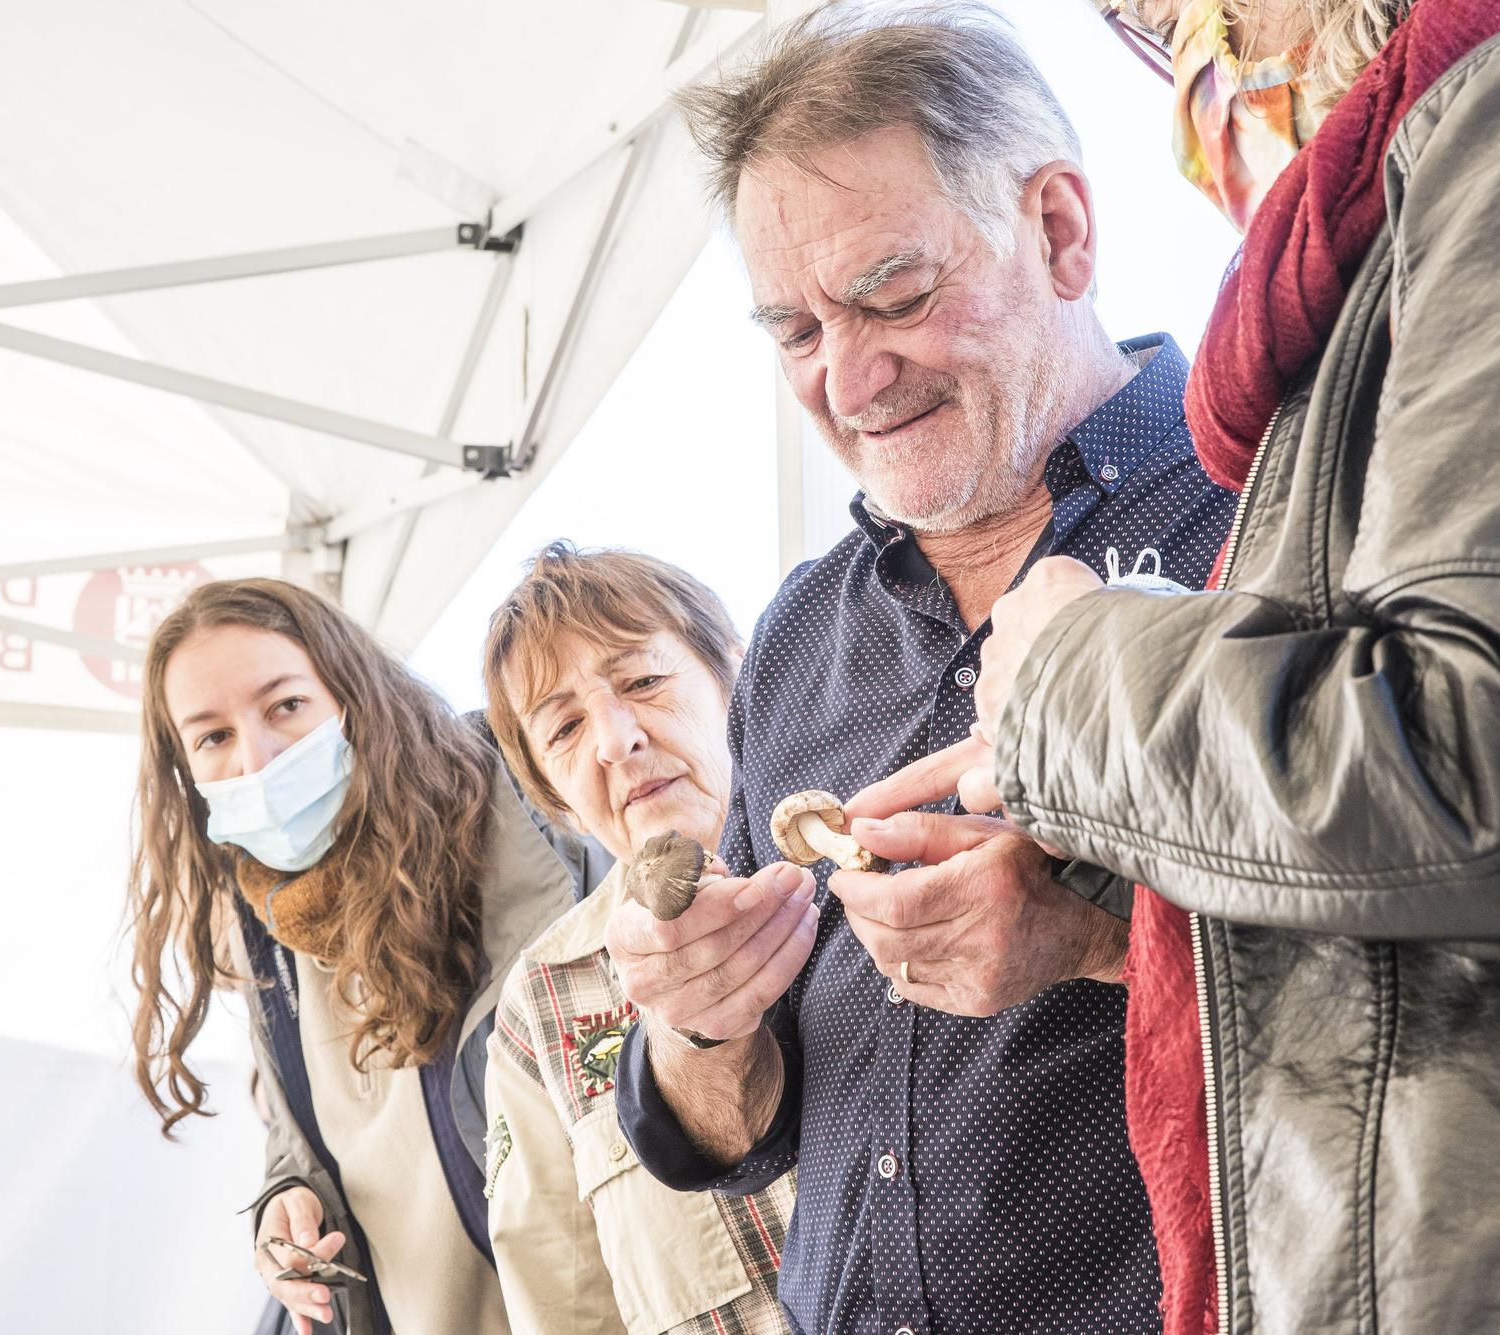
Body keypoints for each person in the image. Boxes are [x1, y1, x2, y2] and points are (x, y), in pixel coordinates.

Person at [871, 1, 1500, 1331]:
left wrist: (1066, 675)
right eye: (1150, 23)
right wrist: (1113, 921)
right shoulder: (1345, 293)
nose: (1188, 53)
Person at [602, 9, 1239, 1333]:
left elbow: (1475, 907)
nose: (849, 376)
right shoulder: (794, 636)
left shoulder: (1271, 510)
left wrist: (1110, 935)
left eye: (893, 294)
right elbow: (747, 1123)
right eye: (794, 332)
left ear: (1061, 229)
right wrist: (702, 1012)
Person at [126, 577, 608, 1334]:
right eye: (212, 736)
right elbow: (304, 1142)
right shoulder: (262, 926)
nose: (258, 759)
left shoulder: (525, 822)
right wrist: (287, 1202)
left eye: (286, 704)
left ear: (356, 694)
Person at [479, 542, 796, 1335]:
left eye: (644, 680)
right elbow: (565, 1306)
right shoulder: (543, 997)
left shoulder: (868, 857)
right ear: (551, 794)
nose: (615, 739)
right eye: (564, 727)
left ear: (734, 672)